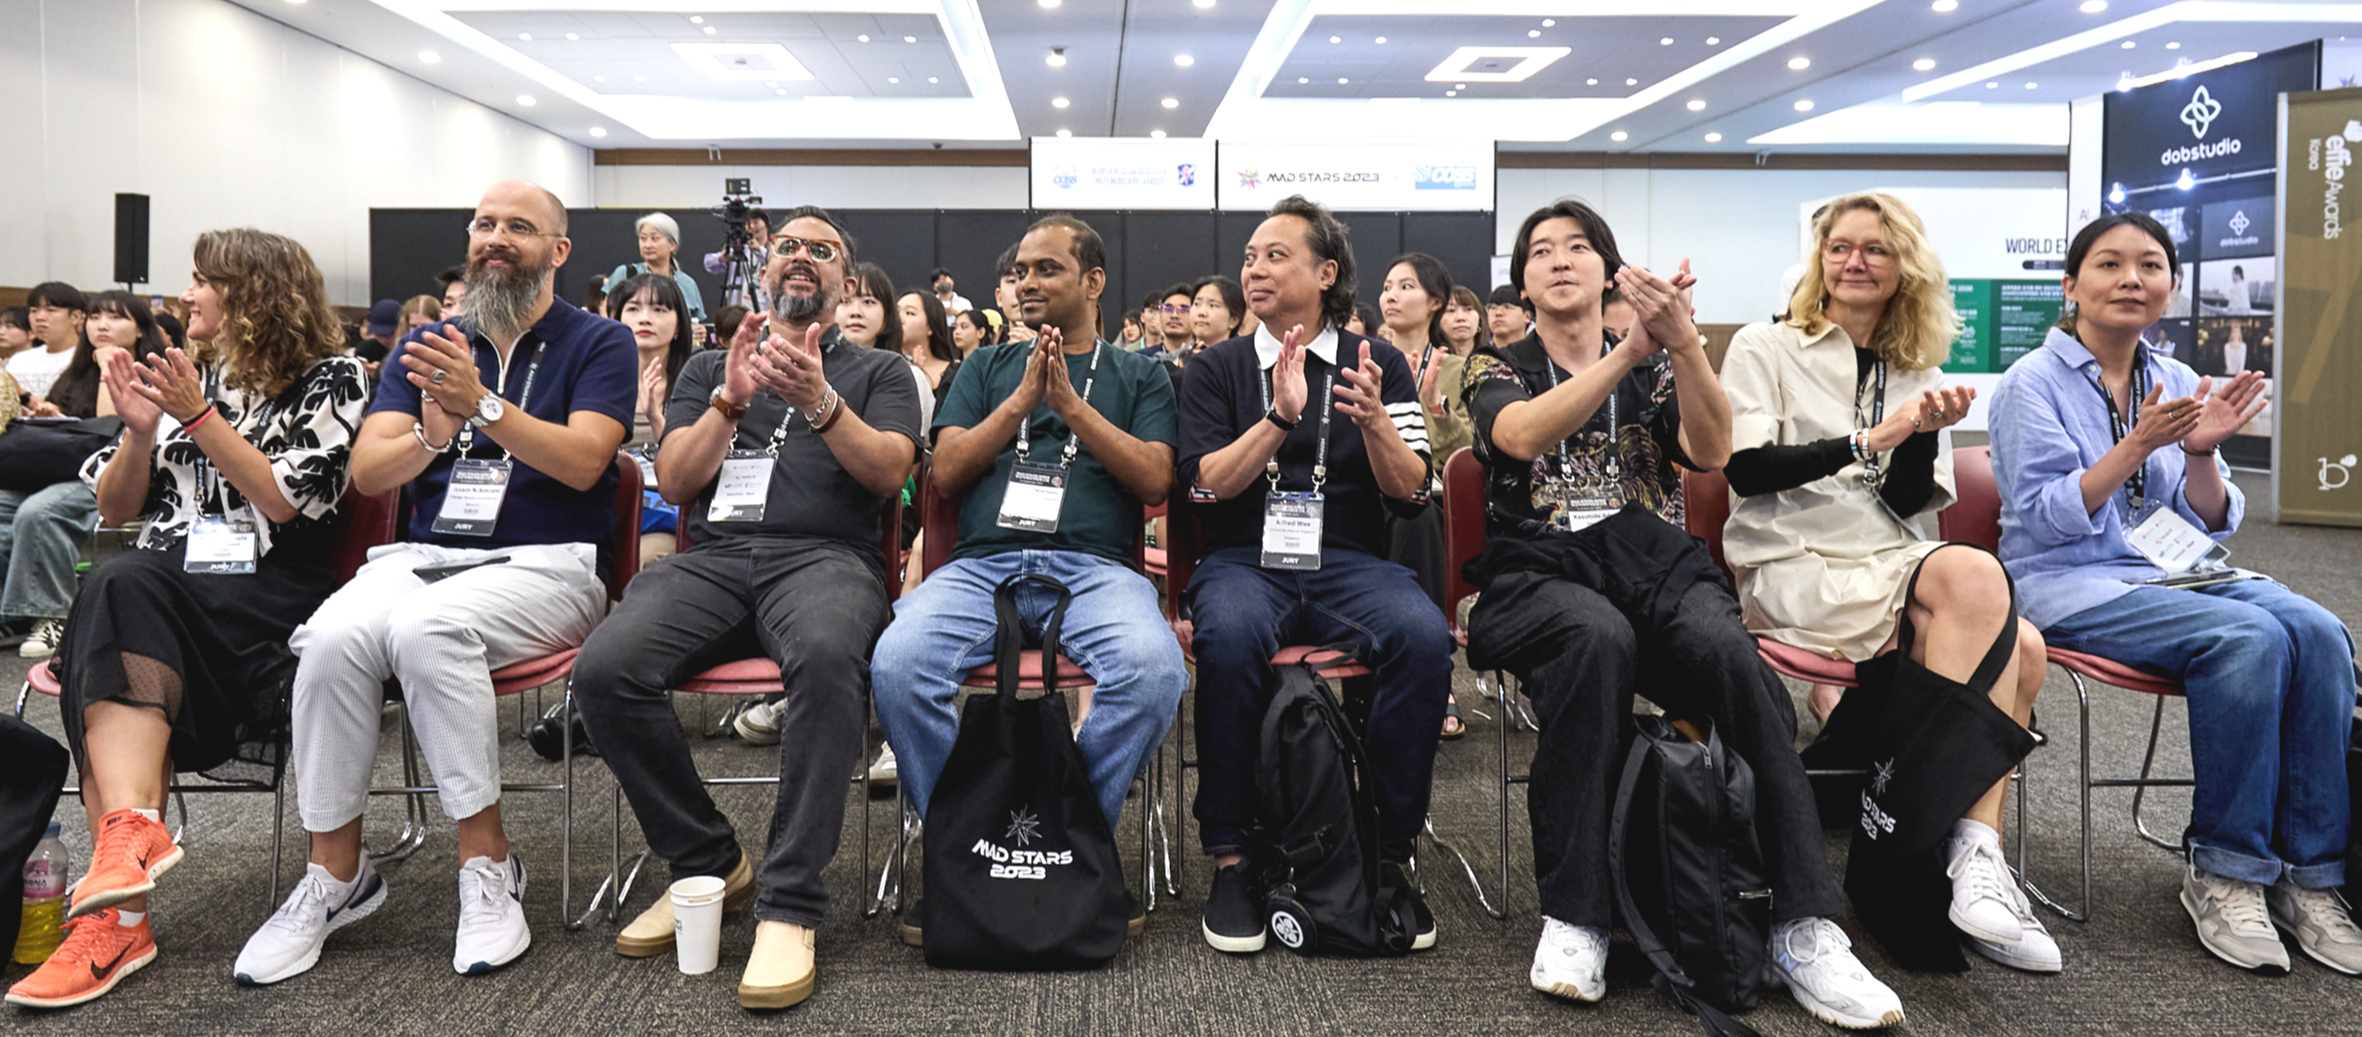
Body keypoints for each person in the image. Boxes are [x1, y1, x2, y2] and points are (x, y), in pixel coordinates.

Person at [1458, 199, 1904, 1028]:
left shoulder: (1660, 363)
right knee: (1596, 639)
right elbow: (1518, 437)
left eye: (1579, 247)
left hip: (1651, 564)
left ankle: (1803, 924)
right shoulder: (1496, 364)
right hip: (1539, 571)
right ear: (1523, 279)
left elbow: (1709, 450)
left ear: (1610, 270)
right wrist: (1628, 349)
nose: (1560, 260)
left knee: (1730, 656)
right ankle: (1578, 915)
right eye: (1542, 251)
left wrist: (1684, 344)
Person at [231, 181, 635, 986]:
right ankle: (335, 873)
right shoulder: (429, 343)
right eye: (485, 223)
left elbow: (589, 461)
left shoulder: (600, 341)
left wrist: (482, 405)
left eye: (519, 226)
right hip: (424, 555)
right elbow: (371, 471)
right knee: (332, 636)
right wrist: (430, 432)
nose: (496, 237)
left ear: (558, 250)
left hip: (551, 563)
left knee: (426, 629)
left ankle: (488, 864)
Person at [3, 229, 369, 1010]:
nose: (184, 294)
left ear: (254, 292)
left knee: (117, 592)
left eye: (203, 279)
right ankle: (126, 855)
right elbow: (114, 508)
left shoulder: (331, 378)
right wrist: (140, 433)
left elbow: (282, 500)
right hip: (164, 586)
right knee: (115, 586)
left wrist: (197, 415)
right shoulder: (188, 373)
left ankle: (118, 918)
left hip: (270, 586)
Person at [571, 205, 922, 1011]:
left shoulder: (880, 371)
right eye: (787, 245)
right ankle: (706, 860)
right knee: (605, 669)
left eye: (821, 250)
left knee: (828, 662)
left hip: (826, 559)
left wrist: (821, 401)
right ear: (765, 269)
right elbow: (676, 480)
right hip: (716, 560)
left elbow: (888, 475)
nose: (801, 256)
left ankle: (790, 900)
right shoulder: (709, 367)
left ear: (846, 282)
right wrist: (729, 403)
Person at [1990, 212, 2357, 976]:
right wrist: (2135, 446)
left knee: (2320, 631)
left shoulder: (2179, 378)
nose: (2132, 278)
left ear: (2172, 285)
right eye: (2110, 264)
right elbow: (2046, 517)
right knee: (2249, 639)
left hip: (2172, 571)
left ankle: (2310, 876)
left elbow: (2210, 517)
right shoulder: (2031, 383)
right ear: (2071, 284)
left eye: (2150, 265)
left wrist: (2198, 453)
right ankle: (2225, 869)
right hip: (2068, 581)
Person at [1720, 192, 2053, 971]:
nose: (1854, 261)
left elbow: (1904, 502)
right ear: (1819, 259)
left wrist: (1920, 436)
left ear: (1906, 265)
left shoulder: (1917, 368)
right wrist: (1872, 437)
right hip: (1794, 558)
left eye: (1875, 248)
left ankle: (1968, 851)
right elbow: (1746, 469)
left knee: (2027, 647)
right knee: (1992, 607)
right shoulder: (1766, 345)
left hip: (1887, 559)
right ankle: (1938, 849)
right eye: (1839, 247)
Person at [873, 214, 1184, 944]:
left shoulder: (1140, 374)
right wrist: (1019, 401)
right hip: (981, 567)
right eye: (1020, 272)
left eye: (1047, 269)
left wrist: (1072, 407)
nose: (1027, 283)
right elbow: (947, 473)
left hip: (1097, 569)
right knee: (898, 663)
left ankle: (1070, 838)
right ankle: (965, 846)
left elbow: (1154, 479)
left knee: (1153, 671)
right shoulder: (983, 368)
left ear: (1094, 282)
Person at [1179, 195, 1450, 955]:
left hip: (1350, 562)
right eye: (1249, 258)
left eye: (1275, 255)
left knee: (1423, 636)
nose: (1254, 270)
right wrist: (1277, 418)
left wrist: (1376, 425)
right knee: (1229, 635)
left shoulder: (1378, 361)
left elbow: (1415, 491)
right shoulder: (1216, 367)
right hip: (1244, 560)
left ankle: (1387, 853)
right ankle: (1232, 856)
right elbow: (1204, 487)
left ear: (1326, 273)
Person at [1, 292, 168, 660]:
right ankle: (12, 615)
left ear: (141, 329)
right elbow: (79, 426)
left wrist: (110, 365)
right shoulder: (78, 370)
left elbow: (114, 426)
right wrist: (50, 414)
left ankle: (53, 616)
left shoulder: (152, 370)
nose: (102, 325)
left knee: (40, 512)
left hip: (115, 476)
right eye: (95, 317)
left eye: (115, 317)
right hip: (62, 466)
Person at [1375, 253, 1467, 738]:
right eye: (1387, 286)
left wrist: (1435, 409)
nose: (1391, 295)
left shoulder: (1463, 369)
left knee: (1418, 513)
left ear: (1436, 302)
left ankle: (1432, 669)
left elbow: (1471, 456)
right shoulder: (1364, 361)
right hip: (1371, 495)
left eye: (1406, 286)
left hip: (1438, 504)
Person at [610, 272, 698, 568]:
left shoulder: (696, 385)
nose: (645, 319)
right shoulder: (599, 381)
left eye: (659, 309)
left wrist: (656, 419)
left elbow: (693, 468)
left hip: (667, 517)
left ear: (679, 326)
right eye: (633, 309)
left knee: (645, 561)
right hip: (607, 509)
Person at [606, 212, 707, 323]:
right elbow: (605, 314)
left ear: (672, 245)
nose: (647, 245)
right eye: (643, 238)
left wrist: (697, 329)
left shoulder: (688, 284)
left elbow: (696, 320)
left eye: (654, 239)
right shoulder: (625, 274)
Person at [11, 283, 87, 408]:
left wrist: (24, 396)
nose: (39, 317)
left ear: (75, 317)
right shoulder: (19, 360)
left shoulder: (85, 360)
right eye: (33, 311)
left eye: (51, 310)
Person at [896, 288, 961, 414]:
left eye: (909, 313)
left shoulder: (955, 375)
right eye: (896, 312)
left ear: (931, 326)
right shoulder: (883, 367)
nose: (899, 319)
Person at [703, 208, 771, 312]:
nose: (752, 226)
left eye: (756, 222)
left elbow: (772, 261)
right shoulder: (741, 250)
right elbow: (708, 263)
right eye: (749, 223)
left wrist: (758, 249)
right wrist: (722, 258)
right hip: (735, 309)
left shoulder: (772, 250)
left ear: (766, 225)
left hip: (760, 309)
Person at [994, 247, 1037, 344]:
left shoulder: (1063, 350)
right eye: (1012, 281)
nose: (1020, 289)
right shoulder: (985, 354)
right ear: (999, 297)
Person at [1442, 285, 1485, 357]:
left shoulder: (1494, 361)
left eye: (1468, 309)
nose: (1460, 317)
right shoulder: (1430, 361)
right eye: (1451, 310)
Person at [356, 300, 401, 369]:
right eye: (378, 334)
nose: (383, 340)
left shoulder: (411, 349)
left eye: (388, 335)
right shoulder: (365, 350)